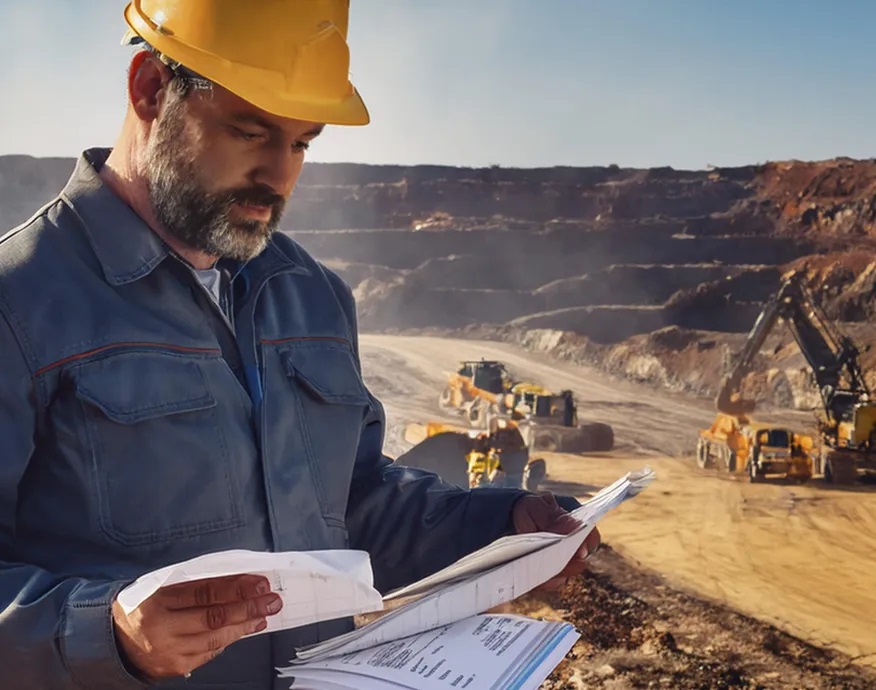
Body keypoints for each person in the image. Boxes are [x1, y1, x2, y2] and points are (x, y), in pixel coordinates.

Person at [0, 2, 599, 688]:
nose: (279, 174)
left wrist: (501, 527)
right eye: (250, 132)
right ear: (150, 89)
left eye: (302, 143)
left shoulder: (312, 297)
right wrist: (105, 633)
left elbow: (350, 506)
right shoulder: (19, 303)